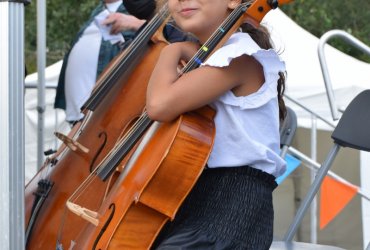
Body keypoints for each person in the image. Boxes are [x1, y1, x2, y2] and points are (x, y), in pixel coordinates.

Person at [146, 0, 287, 249]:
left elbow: (158, 105)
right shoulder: (214, 59)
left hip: (231, 212)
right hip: (196, 201)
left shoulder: (240, 56)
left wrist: (171, 51)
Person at [54, 0, 156, 125]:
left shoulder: (139, 8)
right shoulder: (98, 10)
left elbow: (162, 36)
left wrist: (138, 24)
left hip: (103, 114)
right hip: (79, 113)